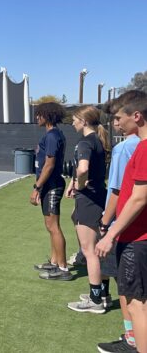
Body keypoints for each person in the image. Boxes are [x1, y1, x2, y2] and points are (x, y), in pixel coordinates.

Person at [96, 92, 147, 353]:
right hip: (136, 238)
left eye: (119, 117)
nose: (116, 122)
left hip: (137, 240)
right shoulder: (139, 147)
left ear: (136, 116)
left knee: (138, 303)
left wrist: (109, 234)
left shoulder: (144, 148)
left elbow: (138, 199)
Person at [65, 106, 110, 313]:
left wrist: (79, 184)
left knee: (89, 250)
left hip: (89, 201)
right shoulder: (98, 141)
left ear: (83, 121)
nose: (72, 122)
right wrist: (73, 182)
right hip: (100, 197)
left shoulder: (84, 142)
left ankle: (95, 300)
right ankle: (103, 294)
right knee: (98, 250)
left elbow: (83, 168)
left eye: (74, 119)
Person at [31, 102, 71, 281]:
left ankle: (63, 269)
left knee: (53, 226)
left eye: (39, 114)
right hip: (48, 185)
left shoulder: (53, 136)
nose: (37, 117)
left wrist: (37, 187)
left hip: (52, 184)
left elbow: (49, 164)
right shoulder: (50, 135)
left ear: (47, 115)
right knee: (50, 226)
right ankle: (55, 262)